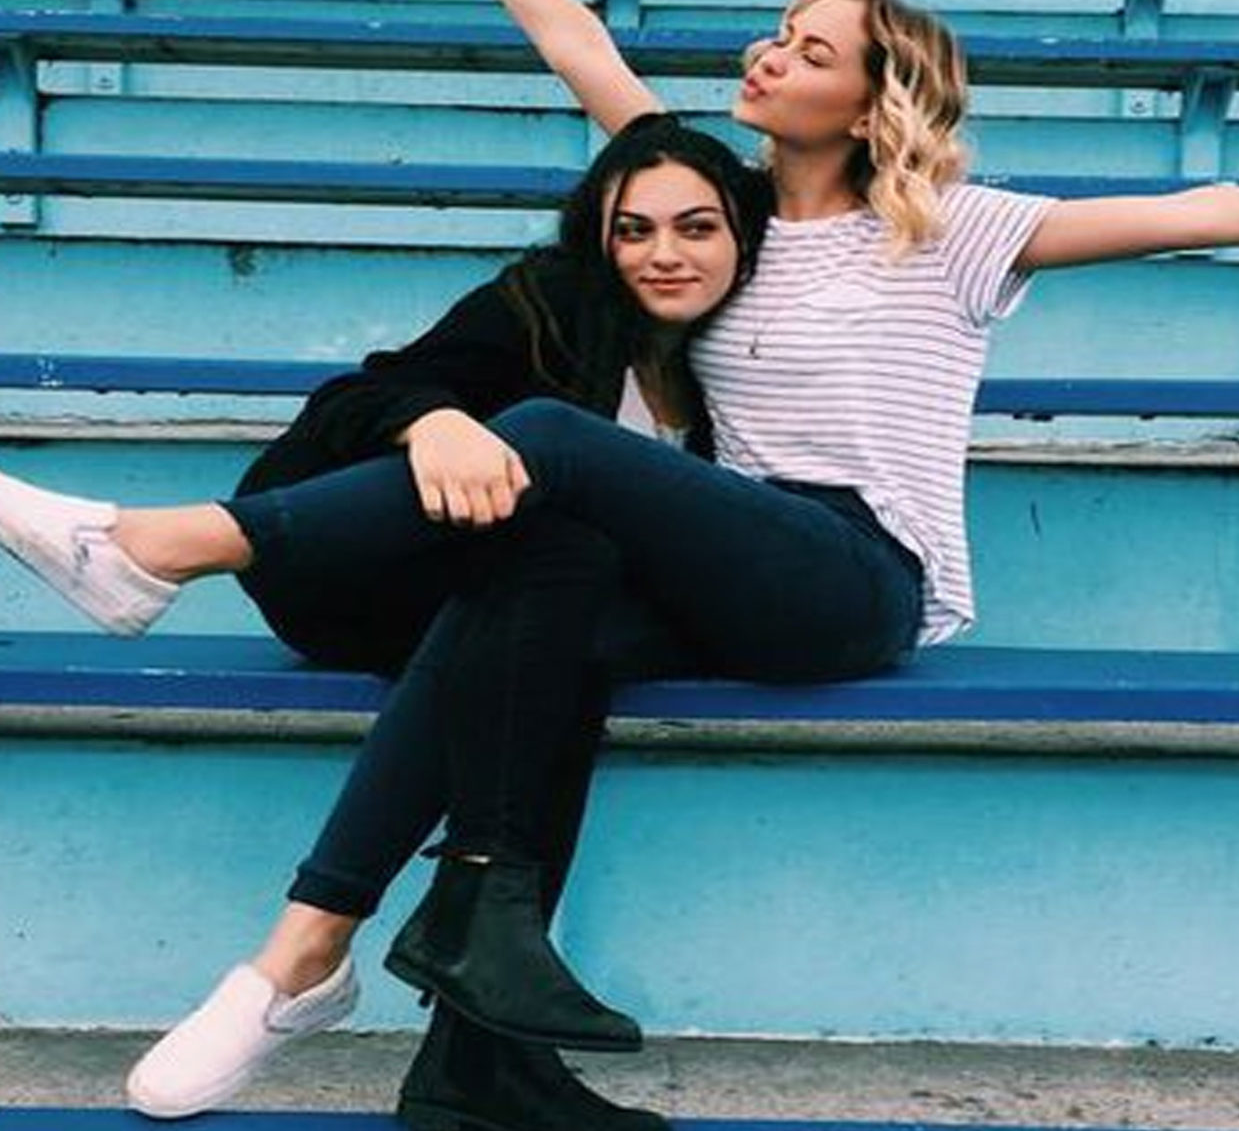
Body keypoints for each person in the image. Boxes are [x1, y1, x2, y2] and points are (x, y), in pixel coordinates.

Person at [11, 0, 1239, 1126]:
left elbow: (1204, 207)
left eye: (810, 50)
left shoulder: (950, 230)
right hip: (723, 561)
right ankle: (439, 1041)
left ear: (872, 104)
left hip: (852, 575)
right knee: (519, 602)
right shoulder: (725, 219)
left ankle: (165, 545)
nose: (770, 54)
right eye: (776, 32)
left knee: (550, 445)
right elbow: (578, 48)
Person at [0, 115, 769, 1127]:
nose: (663, 254)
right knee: (555, 581)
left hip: (515, 604)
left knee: (554, 644)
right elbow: (364, 394)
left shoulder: (733, 371)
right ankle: (312, 954)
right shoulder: (550, 300)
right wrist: (434, 420)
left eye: (696, 227)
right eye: (634, 230)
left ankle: (473, 1067)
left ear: (742, 236)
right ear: (599, 237)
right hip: (350, 572)